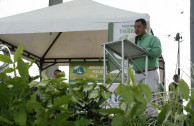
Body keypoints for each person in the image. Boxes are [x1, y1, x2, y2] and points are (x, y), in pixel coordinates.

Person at [132, 18, 162, 116]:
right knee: (138, 100)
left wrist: (145, 50)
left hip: (149, 73)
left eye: (138, 27)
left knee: (150, 101)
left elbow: (157, 52)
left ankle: (152, 120)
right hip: (137, 74)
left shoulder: (153, 39)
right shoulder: (135, 42)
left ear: (145, 27)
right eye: (135, 27)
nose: (136, 29)